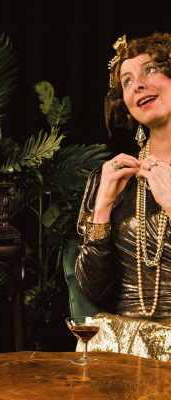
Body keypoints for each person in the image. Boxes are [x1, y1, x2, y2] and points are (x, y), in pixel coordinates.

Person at [75, 32, 171, 321]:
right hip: (123, 340)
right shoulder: (109, 178)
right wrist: (102, 207)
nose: (137, 84)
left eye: (150, 70)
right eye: (127, 82)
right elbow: (93, 290)